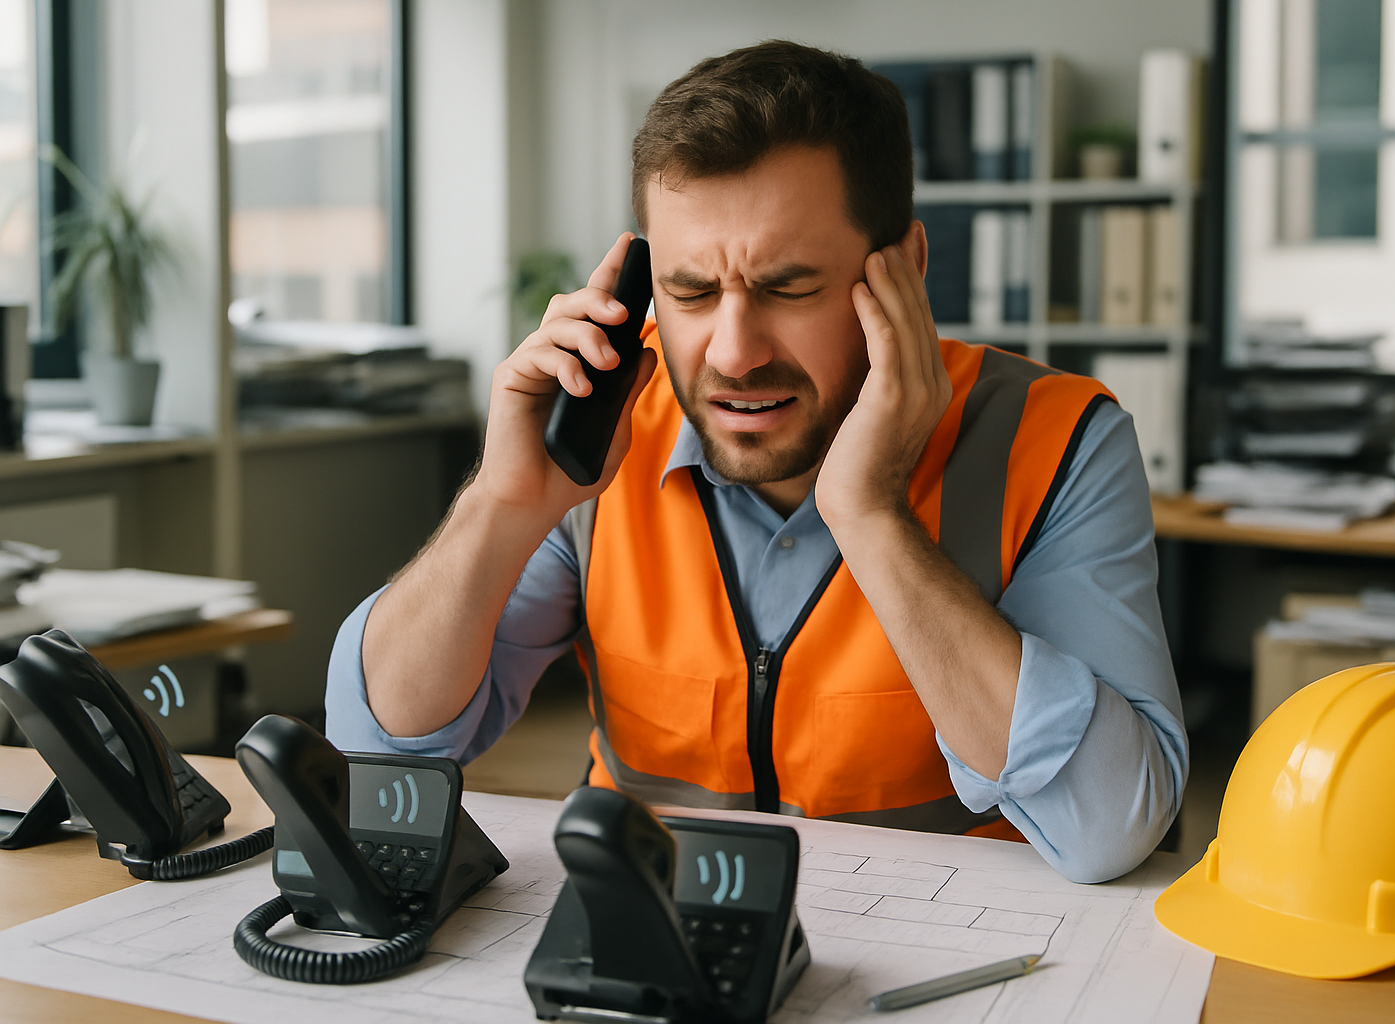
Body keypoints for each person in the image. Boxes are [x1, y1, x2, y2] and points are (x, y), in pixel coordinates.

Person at [326, 41, 1186, 883]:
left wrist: (872, 518)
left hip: (945, 947)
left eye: (788, 287)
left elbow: (1110, 826)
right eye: (691, 292)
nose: (734, 354)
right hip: (652, 929)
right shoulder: (606, 432)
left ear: (906, 271)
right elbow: (377, 751)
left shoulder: (1059, 438)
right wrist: (504, 505)